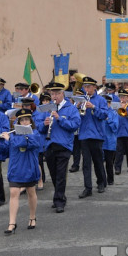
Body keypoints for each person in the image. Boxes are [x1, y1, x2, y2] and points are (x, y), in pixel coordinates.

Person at [38, 82, 80, 213]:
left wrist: (59, 119)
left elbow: (75, 125)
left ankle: (59, 201)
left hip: (64, 145)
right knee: (54, 174)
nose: (54, 96)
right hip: (50, 145)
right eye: (52, 94)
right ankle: (60, 195)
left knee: (61, 174)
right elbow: (39, 128)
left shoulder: (71, 108)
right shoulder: (48, 108)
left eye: (57, 93)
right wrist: (44, 124)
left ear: (62, 94)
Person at [0, 108, 41, 234]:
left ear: (30, 121)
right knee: (13, 193)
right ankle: (12, 223)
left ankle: (32, 217)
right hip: (16, 168)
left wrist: (9, 139)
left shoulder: (35, 133)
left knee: (31, 192)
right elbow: (5, 151)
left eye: (26, 119)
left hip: (29, 167)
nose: (24, 122)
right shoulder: (13, 135)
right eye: (21, 120)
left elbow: (24, 144)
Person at [77, 76, 108, 198]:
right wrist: (77, 107)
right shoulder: (82, 99)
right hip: (84, 134)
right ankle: (87, 187)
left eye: (88, 87)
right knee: (86, 163)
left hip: (96, 134)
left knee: (98, 161)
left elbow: (104, 115)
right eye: (85, 87)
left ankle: (101, 182)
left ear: (94, 87)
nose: (86, 89)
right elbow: (77, 117)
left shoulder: (101, 100)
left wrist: (94, 107)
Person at [101, 95, 119, 185]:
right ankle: (102, 181)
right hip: (100, 140)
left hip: (109, 141)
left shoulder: (113, 113)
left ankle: (110, 179)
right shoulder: (99, 112)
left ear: (109, 103)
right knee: (99, 163)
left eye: (106, 103)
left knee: (109, 162)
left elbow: (115, 128)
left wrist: (108, 119)